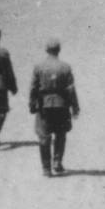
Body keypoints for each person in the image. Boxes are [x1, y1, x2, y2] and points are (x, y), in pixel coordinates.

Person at [29, 39, 80, 176]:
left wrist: (32, 104)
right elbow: (70, 89)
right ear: (59, 50)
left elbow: (33, 88)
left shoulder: (39, 66)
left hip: (44, 105)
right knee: (60, 134)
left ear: (46, 50)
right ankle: (57, 162)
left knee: (44, 136)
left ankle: (46, 168)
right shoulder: (65, 67)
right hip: (61, 104)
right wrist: (75, 107)